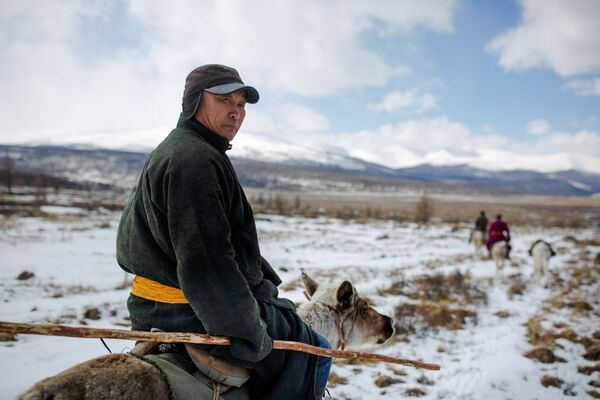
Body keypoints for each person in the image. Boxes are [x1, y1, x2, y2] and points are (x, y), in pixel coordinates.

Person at [116, 64, 330, 399]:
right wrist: (249, 335)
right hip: (188, 309)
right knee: (315, 350)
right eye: (225, 100)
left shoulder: (185, 148)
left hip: (157, 301)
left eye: (242, 104)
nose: (236, 111)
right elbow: (207, 265)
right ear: (195, 102)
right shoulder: (194, 161)